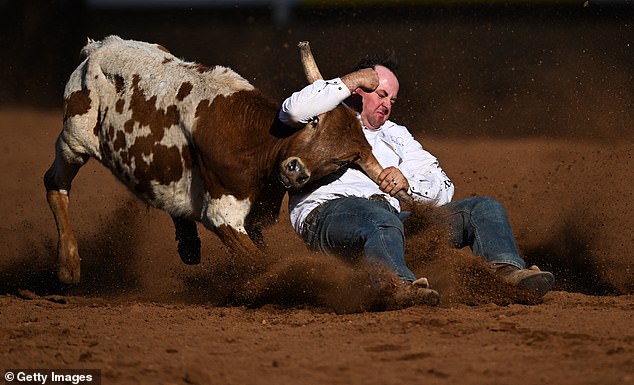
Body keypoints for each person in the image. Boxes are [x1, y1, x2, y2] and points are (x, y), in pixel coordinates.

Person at [278, 52, 554, 305]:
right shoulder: (323, 114)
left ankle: (505, 273)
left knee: (483, 209)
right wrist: (352, 80)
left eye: (392, 100)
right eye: (382, 94)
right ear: (359, 89)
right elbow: (291, 111)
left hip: (391, 223)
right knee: (379, 217)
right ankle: (395, 287)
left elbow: (444, 186)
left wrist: (406, 181)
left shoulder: (396, 135)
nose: (387, 105)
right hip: (327, 216)